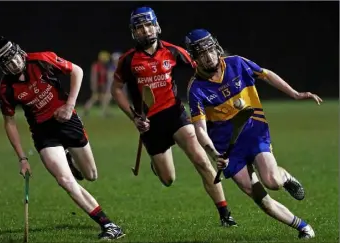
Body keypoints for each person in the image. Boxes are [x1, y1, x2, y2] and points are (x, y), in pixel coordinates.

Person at [185, 29, 322, 239]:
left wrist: (295, 94)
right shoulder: (196, 89)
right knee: (260, 199)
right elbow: (201, 130)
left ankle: (284, 176)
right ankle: (304, 227)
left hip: (253, 132)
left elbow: (266, 75)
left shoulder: (237, 63)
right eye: (201, 53)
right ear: (194, 58)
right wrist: (214, 155)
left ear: (216, 47)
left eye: (210, 49)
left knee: (273, 181)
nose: (208, 56)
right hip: (227, 149)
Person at [111, 7, 237, 226]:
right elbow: (116, 89)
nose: (145, 30)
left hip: (175, 114)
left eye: (148, 25)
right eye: (139, 27)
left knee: (202, 160)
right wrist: (134, 117)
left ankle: (225, 215)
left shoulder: (172, 51)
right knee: (168, 179)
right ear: (134, 32)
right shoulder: (128, 60)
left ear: (157, 26)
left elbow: (202, 69)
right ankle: (157, 164)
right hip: (150, 124)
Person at [0, 36, 125, 240]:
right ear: (2, 66)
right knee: (64, 180)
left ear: (19, 51)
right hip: (43, 134)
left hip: (68, 121)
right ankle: (109, 225)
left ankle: (70, 157)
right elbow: (9, 123)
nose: (15, 63)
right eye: (8, 62)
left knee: (91, 175)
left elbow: (77, 71)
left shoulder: (41, 59)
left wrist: (69, 106)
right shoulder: (6, 89)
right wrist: (22, 158)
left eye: (15, 57)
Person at [83, 50, 110, 117]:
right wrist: (94, 86)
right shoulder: (96, 65)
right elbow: (94, 76)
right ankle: (85, 111)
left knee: (103, 99)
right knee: (94, 99)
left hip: (101, 86)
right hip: (98, 86)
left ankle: (104, 112)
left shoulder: (103, 66)